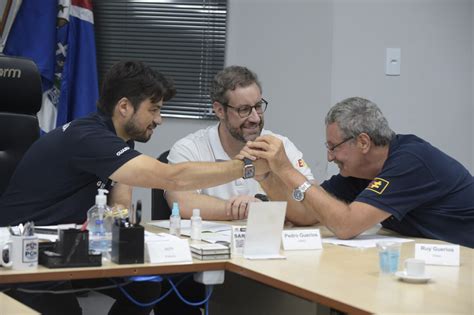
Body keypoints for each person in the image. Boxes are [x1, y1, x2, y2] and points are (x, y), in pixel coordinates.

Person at [0, 60, 268, 314]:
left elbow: (120, 205)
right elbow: (171, 177)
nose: (159, 119)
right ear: (125, 107)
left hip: (69, 247)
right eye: (154, 109)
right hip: (24, 253)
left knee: (146, 285)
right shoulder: (89, 137)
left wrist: (117, 225)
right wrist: (245, 166)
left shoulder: (120, 141)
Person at [243, 97, 474, 248]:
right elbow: (306, 214)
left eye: (333, 147)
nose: (329, 157)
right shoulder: (358, 171)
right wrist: (267, 176)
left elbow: (346, 226)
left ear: (363, 142)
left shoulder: (411, 161)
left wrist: (287, 170)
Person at [165, 65, 317, 223]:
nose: (255, 118)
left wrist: (262, 203)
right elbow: (183, 203)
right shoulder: (189, 148)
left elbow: (313, 204)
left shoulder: (280, 145)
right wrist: (244, 210)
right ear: (219, 110)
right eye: (244, 110)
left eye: (258, 107)